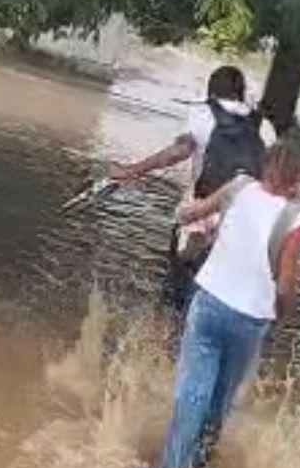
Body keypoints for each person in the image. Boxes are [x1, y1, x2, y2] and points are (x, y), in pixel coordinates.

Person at [156, 129, 300, 468]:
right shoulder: (295, 220)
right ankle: (198, 463)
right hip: (250, 321)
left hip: (209, 302)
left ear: (268, 162)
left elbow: (190, 214)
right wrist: (283, 311)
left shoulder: (238, 187)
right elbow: (286, 284)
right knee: (220, 399)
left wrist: (187, 215)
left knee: (191, 391)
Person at [107, 65, 269, 307]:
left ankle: (165, 332)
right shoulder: (259, 125)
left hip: (200, 211)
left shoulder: (203, 113)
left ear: (211, 91)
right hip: (240, 221)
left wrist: (132, 170)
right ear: (242, 93)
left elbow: (180, 151)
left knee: (176, 288)